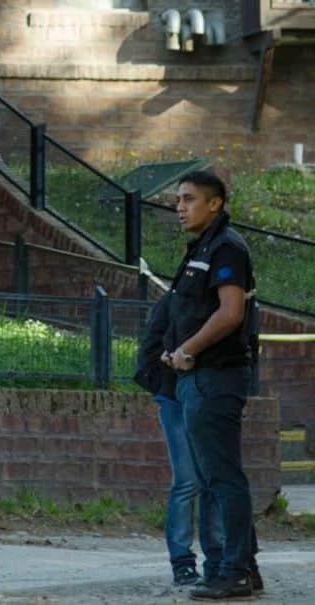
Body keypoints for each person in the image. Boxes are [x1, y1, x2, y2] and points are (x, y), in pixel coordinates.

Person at [161, 171, 261, 601]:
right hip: (196, 378)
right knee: (213, 477)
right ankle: (242, 567)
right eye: (177, 200)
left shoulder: (226, 247)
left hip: (215, 377)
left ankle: (233, 570)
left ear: (215, 203)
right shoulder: (201, 248)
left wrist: (187, 349)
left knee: (222, 478)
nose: (179, 207)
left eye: (188, 199)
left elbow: (230, 313)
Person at [135, 293, 223, 587]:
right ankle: (182, 560)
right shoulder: (175, 300)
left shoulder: (222, 302)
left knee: (211, 480)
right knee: (188, 480)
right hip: (175, 395)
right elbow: (149, 350)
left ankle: (218, 557)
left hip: (206, 394)